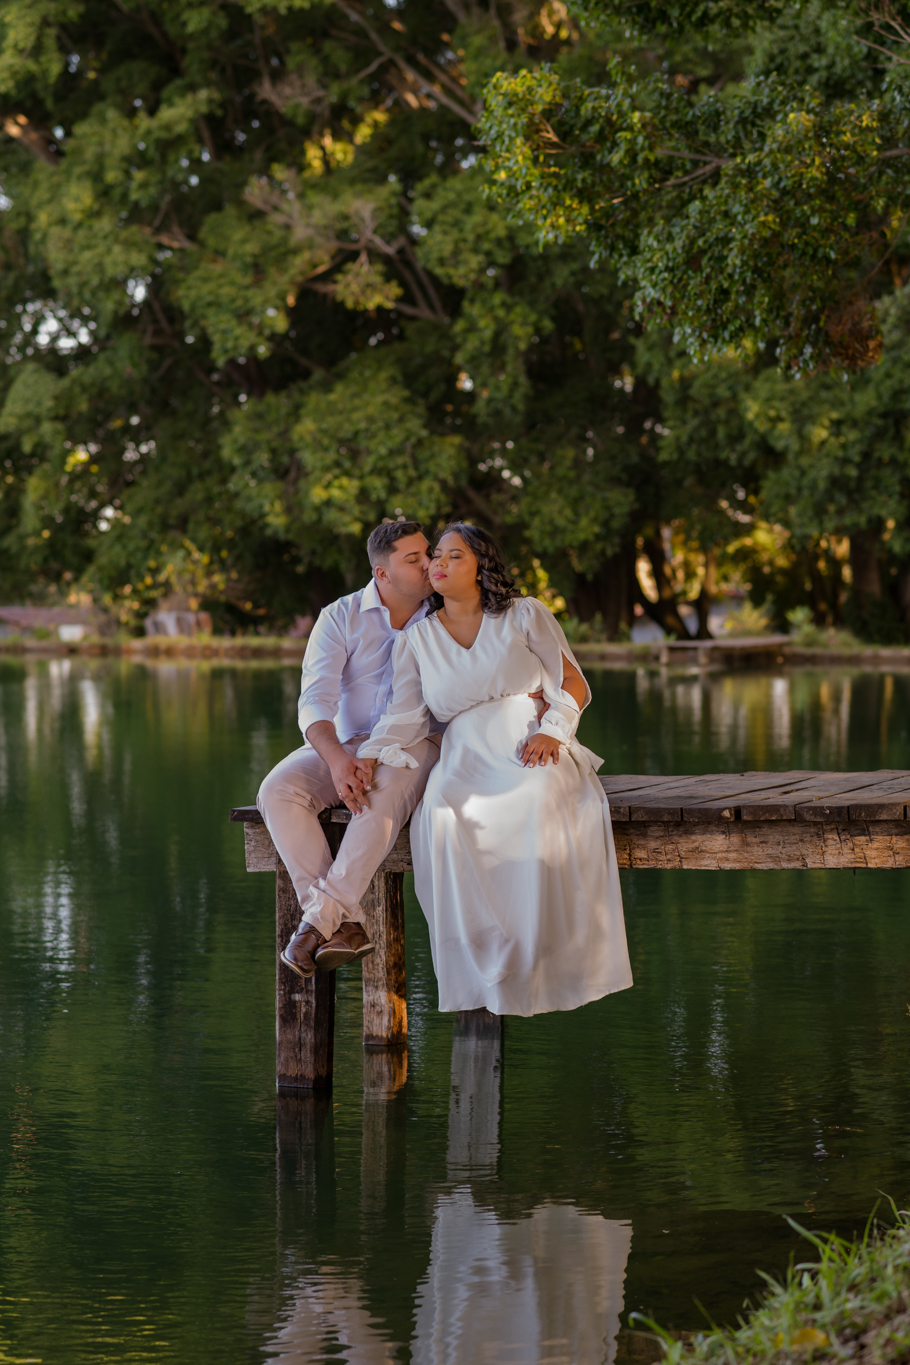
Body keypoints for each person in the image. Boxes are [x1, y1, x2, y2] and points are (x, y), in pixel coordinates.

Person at [357, 523, 633, 1017]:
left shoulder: (524, 614)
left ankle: (539, 952)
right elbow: (404, 717)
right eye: (434, 556)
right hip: (463, 754)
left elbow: (572, 680)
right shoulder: (417, 638)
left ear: (482, 566)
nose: (437, 564)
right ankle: (486, 956)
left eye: (452, 556)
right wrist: (368, 756)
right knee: (440, 817)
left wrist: (554, 729)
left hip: (529, 742)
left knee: (536, 802)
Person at [257, 521, 441, 979]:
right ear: (383, 574)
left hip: (419, 740)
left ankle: (318, 923)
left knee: (377, 799)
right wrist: (338, 759)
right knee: (277, 790)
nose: (429, 564)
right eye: (413, 559)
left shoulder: (446, 612)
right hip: (349, 742)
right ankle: (349, 925)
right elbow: (314, 703)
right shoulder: (339, 616)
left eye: (428, 554)